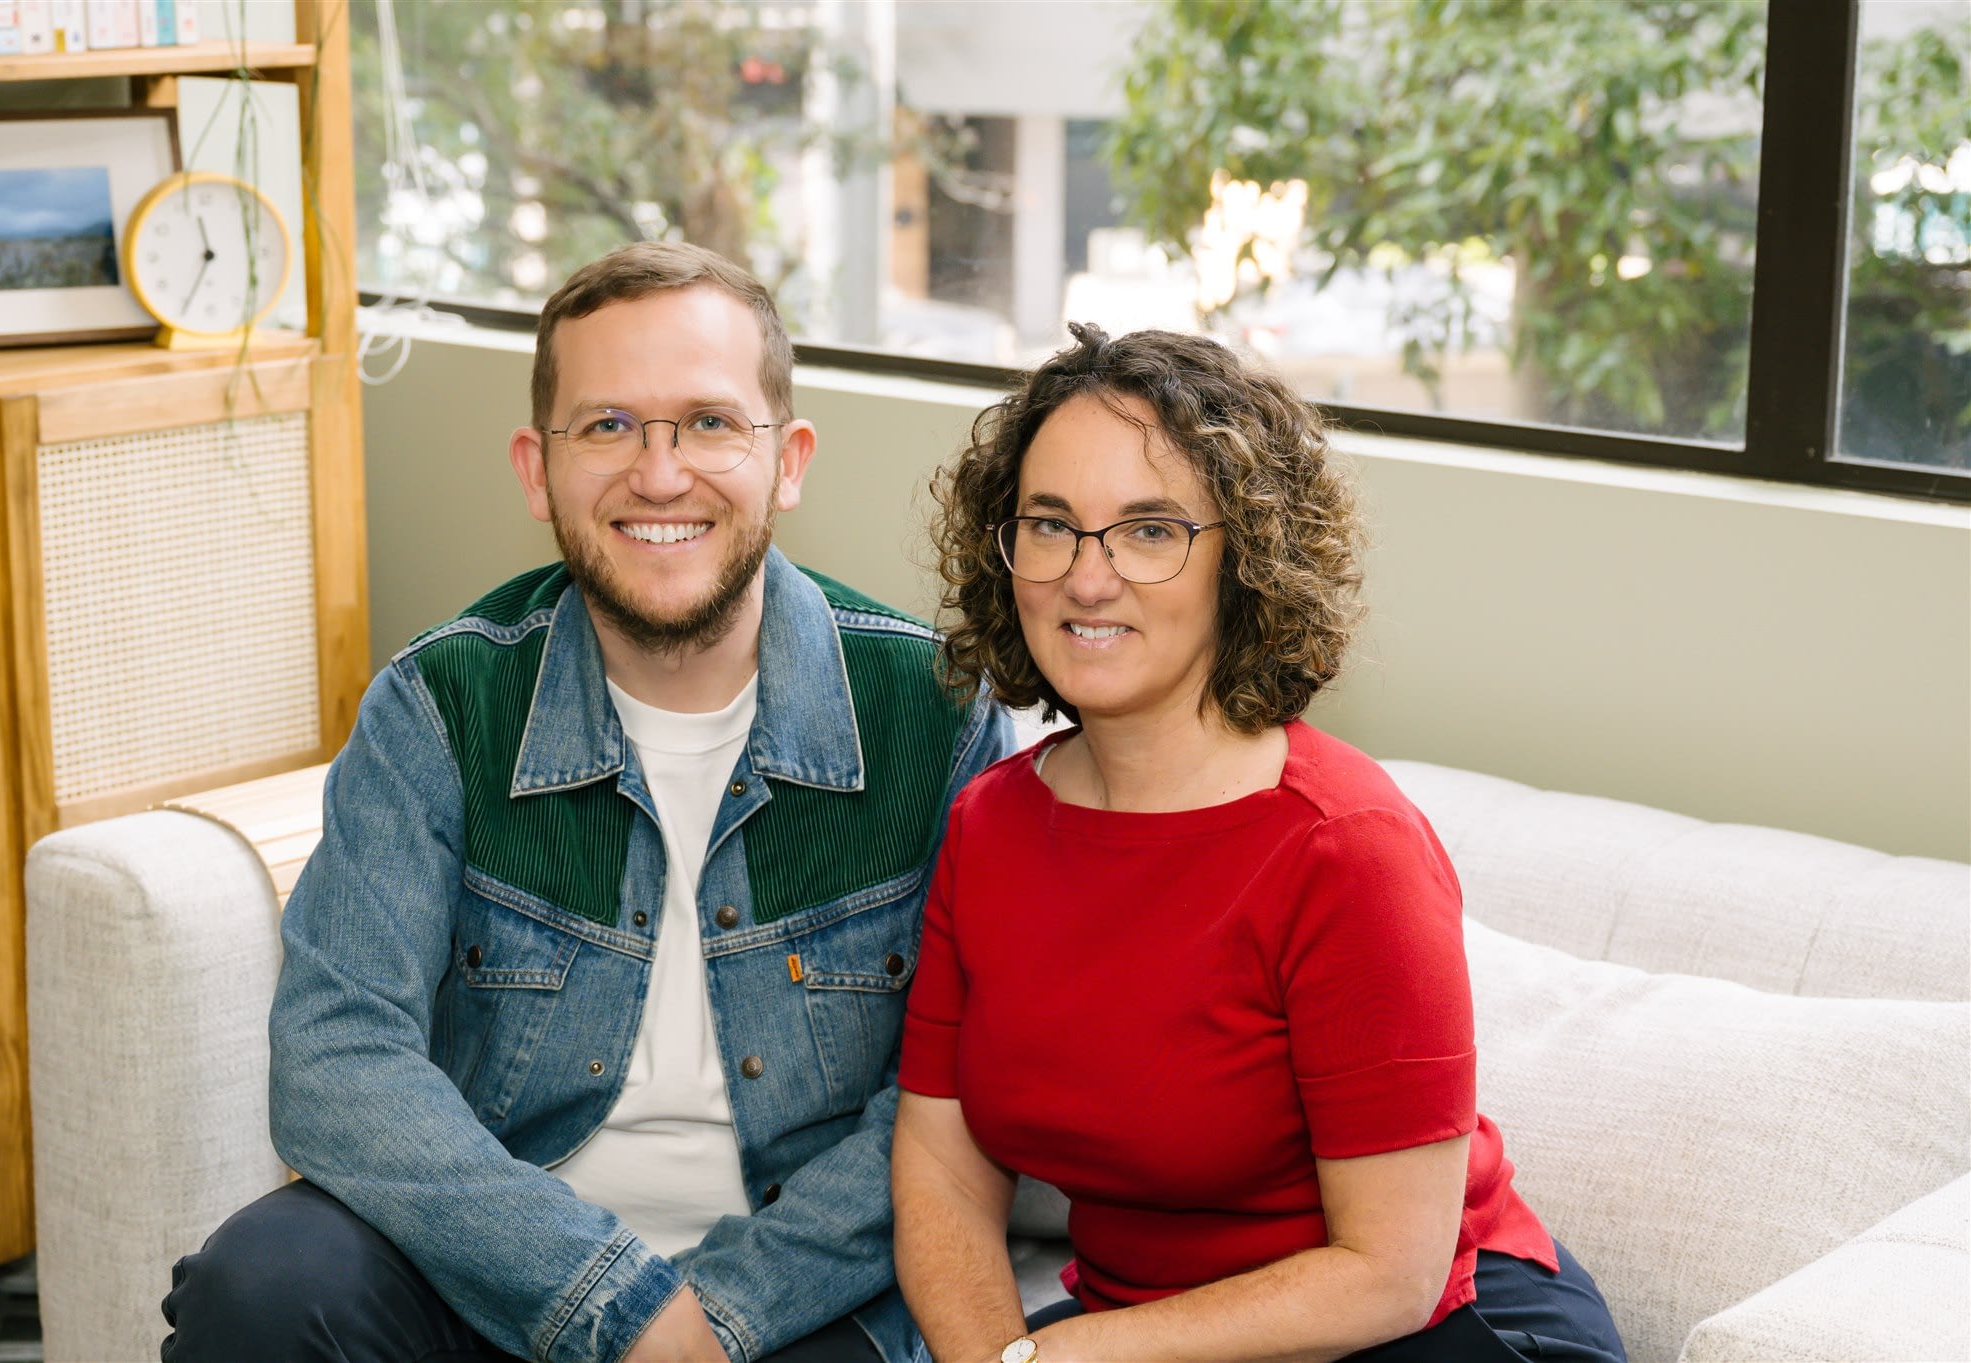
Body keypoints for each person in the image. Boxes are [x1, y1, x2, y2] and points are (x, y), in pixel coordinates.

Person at [160, 241, 1015, 1363]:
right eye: (607, 425)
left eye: (710, 423)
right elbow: (337, 1059)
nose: (659, 475)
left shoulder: (931, 714)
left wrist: (716, 1325)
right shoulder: (440, 704)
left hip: (795, 1294)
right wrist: (614, 1307)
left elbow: (944, 1100)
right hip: (497, 1270)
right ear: (535, 467)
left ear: (788, 458)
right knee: (261, 1286)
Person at [891, 322, 1627, 1363]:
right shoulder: (990, 823)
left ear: (1245, 559)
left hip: (1429, 1333)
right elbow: (940, 1161)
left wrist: (1057, 1359)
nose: (1085, 578)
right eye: (1049, 524)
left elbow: (1390, 1270)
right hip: (1139, 1338)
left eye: (1149, 530)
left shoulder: (1344, 846)